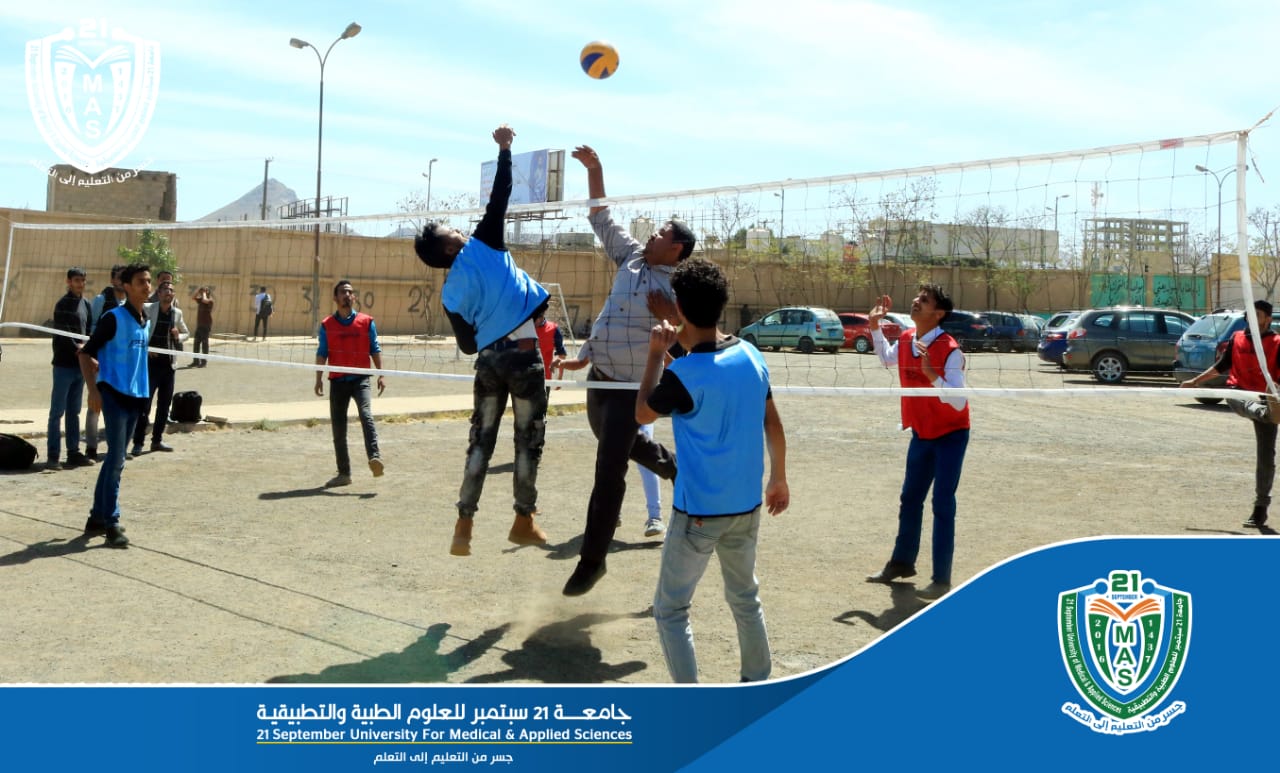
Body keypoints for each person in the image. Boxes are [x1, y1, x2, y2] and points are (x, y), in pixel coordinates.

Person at [637, 258, 789, 683]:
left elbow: (642, 409)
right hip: (747, 505)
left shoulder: (683, 373)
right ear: (722, 303)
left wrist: (655, 355)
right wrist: (779, 477)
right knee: (745, 597)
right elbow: (772, 422)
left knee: (670, 610)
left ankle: (691, 700)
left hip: (698, 513)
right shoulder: (750, 354)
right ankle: (755, 685)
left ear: (679, 307)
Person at [556, 143, 687, 596]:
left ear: (677, 248)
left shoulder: (679, 287)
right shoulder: (631, 256)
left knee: (608, 468)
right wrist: (596, 170)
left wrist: (670, 310)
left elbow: (688, 336)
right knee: (616, 443)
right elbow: (600, 218)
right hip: (600, 379)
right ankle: (674, 468)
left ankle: (592, 560)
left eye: (662, 232)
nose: (652, 234)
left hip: (633, 389)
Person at [414, 124, 550, 556]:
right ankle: (523, 519)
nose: (458, 229)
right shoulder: (482, 244)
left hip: (488, 362)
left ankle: (464, 525)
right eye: (451, 231)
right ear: (451, 247)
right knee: (528, 440)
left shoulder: (450, 291)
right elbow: (501, 195)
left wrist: (492, 316)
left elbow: (469, 345)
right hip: (524, 357)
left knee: (481, 440)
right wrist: (506, 149)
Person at [865, 285, 970, 600]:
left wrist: (931, 375)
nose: (915, 301)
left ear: (938, 314)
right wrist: (874, 327)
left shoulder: (950, 349)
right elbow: (886, 359)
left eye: (923, 300)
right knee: (910, 499)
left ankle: (941, 579)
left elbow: (959, 402)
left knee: (942, 504)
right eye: (916, 297)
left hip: (951, 434)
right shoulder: (908, 339)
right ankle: (901, 563)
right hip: (922, 433)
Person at [1181, 299, 1280, 528]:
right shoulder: (1236, 339)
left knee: (1266, 457)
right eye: (1251, 314)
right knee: (1246, 403)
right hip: (1239, 395)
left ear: (1267, 318)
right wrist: (1195, 381)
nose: (1254, 318)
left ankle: (1260, 509)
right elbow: (1221, 366)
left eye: (1259, 314)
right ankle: (1269, 413)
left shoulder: (1277, 342)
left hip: (1269, 399)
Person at [78, 262, 153, 548]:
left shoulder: (144, 319)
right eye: (141, 281)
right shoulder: (113, 318)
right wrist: (93, 390)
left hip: (136, 396)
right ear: (126, 286)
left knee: (114, 460)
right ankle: (112, 522)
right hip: (112, 394)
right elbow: (85, 354)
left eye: (148, 281)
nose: (147, 286)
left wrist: (145, 401)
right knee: (118, 459)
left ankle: (97, 517)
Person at [314, 280, 386, 488]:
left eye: (350, 292)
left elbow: (375, 348)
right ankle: (344, 473)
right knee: (338, 427)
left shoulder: (366, 322)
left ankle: (375, 457)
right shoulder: (327, 325)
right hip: (337, 381)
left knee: (366, 414)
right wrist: (318, 378)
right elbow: (322, 353)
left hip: (360, 379)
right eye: (343, 292)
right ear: (335, 298)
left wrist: (381, 374)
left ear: (354, 298)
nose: (347, 295)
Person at [47, 267, 95, 471]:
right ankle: (53, 455)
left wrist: (89, 352)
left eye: (83, 280)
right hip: (63, 365)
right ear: (69, 282)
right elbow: (64, 335)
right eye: (77, 280)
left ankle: (73, 452)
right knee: (57, 411)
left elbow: (89, 332)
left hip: (80, 366)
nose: (80, 284)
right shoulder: (62, 304)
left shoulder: (86, 304)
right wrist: (79, 348)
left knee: (74, 411)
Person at [132, 281, 188, 456]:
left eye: (171, 291)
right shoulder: (148, 308)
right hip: (150, 365)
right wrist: (145, 348)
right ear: (159, 292)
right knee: (144, 405)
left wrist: (179, 336)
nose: (169, 293)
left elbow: (187, 333)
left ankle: (157, 440)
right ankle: (138, 442)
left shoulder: (177, 313)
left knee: (164, 406)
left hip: (169, 365)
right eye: (165, 290)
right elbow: (136, 328)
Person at [83, 264, 126, 460]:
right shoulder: (101, 300)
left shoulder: (129, 304)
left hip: (120, 363)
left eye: (125, 278)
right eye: (119, 277)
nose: (122, 281)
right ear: (112, 280)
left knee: (117, 406)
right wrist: (92, 354)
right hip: (100, 360)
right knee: (95, 403)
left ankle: (115, 447)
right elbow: (90, 328)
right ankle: (91, 447)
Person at [191, 286, 214, 366]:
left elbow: (205, 300)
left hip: (206, 325)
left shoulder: (210, 300)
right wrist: (198, 290)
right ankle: (195, 361)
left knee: (204, 344)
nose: (202, 292)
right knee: (196, 343)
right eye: (202, 291)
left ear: (208, 292)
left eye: (205, 290)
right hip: (199, 325)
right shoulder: (200, 300)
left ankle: (204, 362)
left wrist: (204, 292)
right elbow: (193, 297)